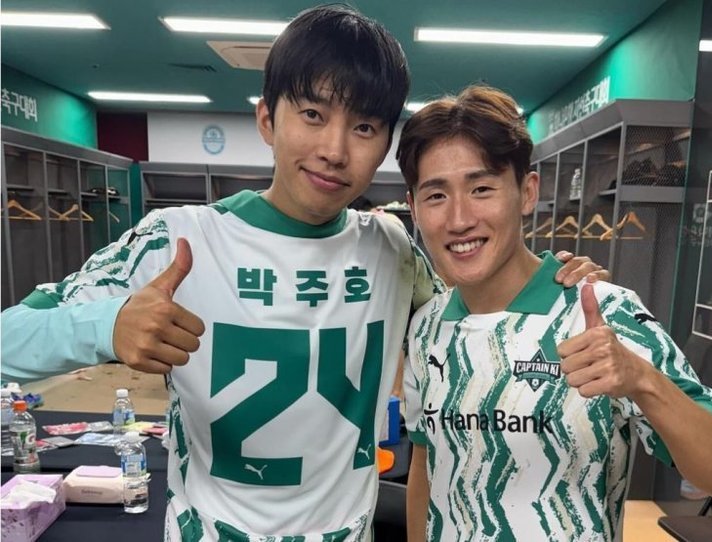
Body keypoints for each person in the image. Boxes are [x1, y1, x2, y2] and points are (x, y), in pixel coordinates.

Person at [0, 7, 607, 541]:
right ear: (268, 119)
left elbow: (472, 309)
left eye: (364, 127)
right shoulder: (176, 239)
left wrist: (548, 277)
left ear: (385, 143)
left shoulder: (393, 247)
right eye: (313, 114)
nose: (335, 150)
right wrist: (106, 326)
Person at [397, 84, 712, 542]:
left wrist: (642, 379)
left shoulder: (608, 313)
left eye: (482, 188)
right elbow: (427, 466)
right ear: (413, 208)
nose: (460, 218)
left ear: (527, 192)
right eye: (436, 196)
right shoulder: (426, 327)